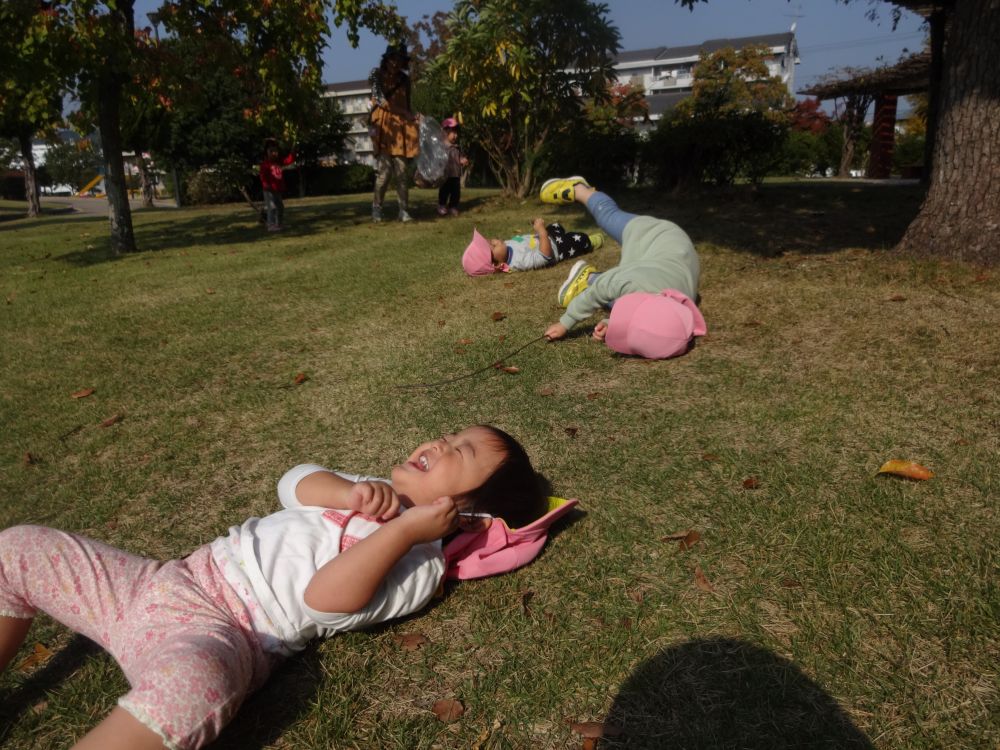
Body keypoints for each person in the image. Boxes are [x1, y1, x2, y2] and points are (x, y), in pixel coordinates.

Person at [0, 425, 548, 750]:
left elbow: (324, 601)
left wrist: (405, 532)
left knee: (193, 690)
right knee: (18, 548)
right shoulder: (368, 490)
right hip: (167, 581)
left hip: (222, 633)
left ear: (468, 514)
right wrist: (346, 492)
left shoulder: (419, 567)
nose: (443, 442)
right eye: (452, 434)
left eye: (463, 453)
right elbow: (292, 482)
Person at [539, 177, 706, 359]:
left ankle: (589, 275)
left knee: (617, 296)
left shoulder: (677, 314)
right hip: (653, 233)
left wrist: (611, 323)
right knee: (607, 215)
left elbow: (644, 319)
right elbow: (600, 291)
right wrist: (566, 322)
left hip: (677, 257)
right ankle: (580, 189)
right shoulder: (628, 282)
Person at [369, 44, 419, 223]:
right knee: (384, 172)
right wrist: (403, 112)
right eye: (393, 58)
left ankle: (403, 210)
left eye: (399, 59)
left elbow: (407, 105)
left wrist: (413, 117)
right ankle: (376, 208)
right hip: (382, 127)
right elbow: (380, 101)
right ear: (386, 59)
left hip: (400, 129)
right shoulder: (375, 75)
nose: (395, 62)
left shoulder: (405, 80)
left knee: (401, 171)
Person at [462, 218, 603, 276]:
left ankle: (558, 231)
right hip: (557, 248)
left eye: (489, 241)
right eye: (491, 247)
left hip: (547, 237)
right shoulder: (518, 262)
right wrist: (541, 232)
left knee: (556, 225)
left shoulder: (506, 247)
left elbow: (522, 240)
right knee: (578, 239)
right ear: (498, 265)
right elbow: (544, 257)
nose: (494, 241)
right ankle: (591, 242)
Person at [260, 139, 295, 232]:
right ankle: (271, 225)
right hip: (268, 190)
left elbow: (288, 161)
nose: (274, 153)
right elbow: (263, 176)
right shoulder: (265, 165)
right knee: (271, 207)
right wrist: (266, 184)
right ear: (267, 152)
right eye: (271, 151)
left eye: (275, 151)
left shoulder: (278, 162)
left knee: (280, 207)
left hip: (277, 189)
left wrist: (292, 153)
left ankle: (278, 224)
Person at [437, 118, 469, 217]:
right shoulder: (441, 147)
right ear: (445, 133)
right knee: (444, 191)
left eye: (456, 133)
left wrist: (462, 160)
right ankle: (442, 205)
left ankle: (453, 206)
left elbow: (459, 157)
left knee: (456, 192)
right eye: (453, 133)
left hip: (456, 174)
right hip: (445, 174)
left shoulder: (457, 147)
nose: (456, 135)